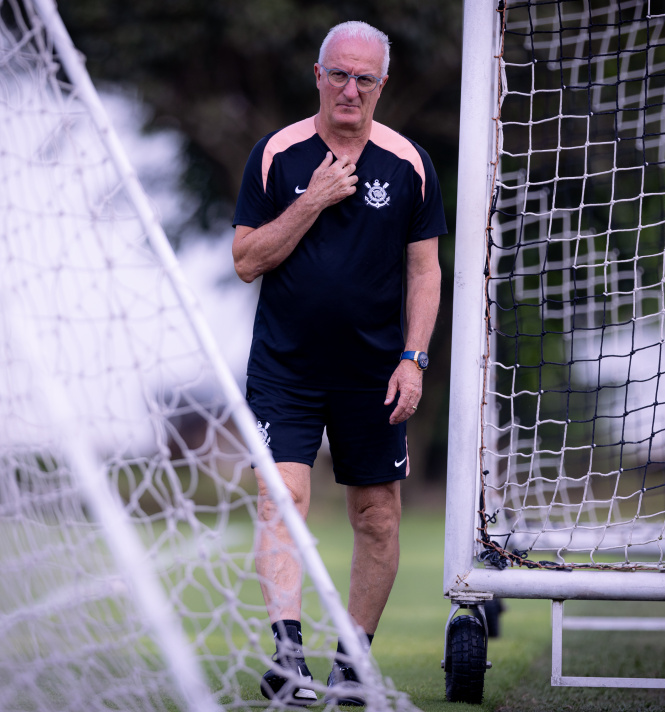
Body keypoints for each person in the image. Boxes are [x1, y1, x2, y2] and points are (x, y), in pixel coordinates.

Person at [232, 20, 446, 706]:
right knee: (282, 498)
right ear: (317, 76)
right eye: (338, 74)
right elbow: (245, 261)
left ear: (381, 85)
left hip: (373, 373)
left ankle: (351, 664)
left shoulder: (409, 163)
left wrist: (412, 359)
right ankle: (288, 658)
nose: (349, 89)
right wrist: (313, 200)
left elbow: (424, 272)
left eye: (364, 78)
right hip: (284, 369)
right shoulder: (277, 155)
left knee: (377, 517)